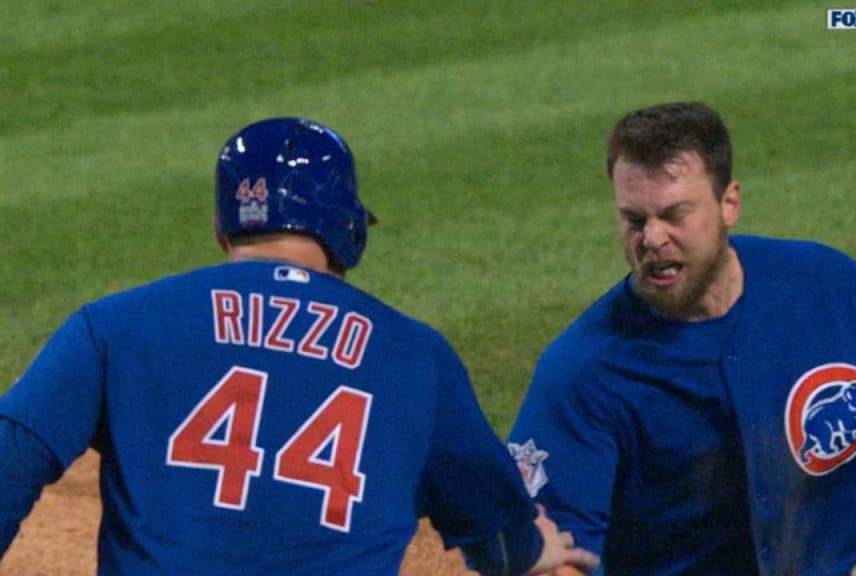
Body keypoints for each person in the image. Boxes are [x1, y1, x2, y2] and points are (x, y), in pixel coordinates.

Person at [0, 117, 598, 575]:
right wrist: (524, 550)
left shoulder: (113, 324)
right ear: (348, 229)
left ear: (221, 228)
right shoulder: (418, 359)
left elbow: (10, 457)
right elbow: (492, 531)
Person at [507, 102, 856, 575]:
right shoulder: (584, 372)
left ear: (729, 202)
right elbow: (553, 553)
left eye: (674, 214)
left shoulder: (818, 285)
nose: (652, 238)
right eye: (634, 219)